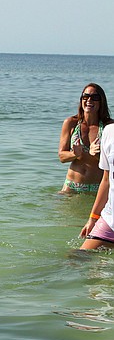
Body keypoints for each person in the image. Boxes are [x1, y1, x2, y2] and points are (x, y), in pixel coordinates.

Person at [59, 83, 112, 194]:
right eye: (85, 96)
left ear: (101, 101)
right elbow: (62, 156)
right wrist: (75, 154)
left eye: (94, 97)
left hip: (97, 190)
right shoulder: (71, 123)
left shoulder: (109, 126)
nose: (89, 100)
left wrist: (99, 155)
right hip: (71, 187)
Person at [80, 101, 114, 249]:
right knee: (76, 259)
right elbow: (106, 180)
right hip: (110, 219)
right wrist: (93, 218)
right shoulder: (109, 132)